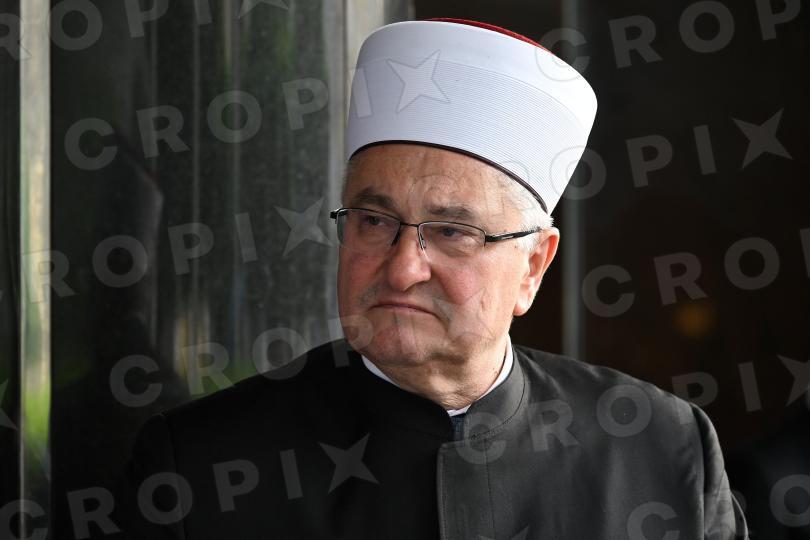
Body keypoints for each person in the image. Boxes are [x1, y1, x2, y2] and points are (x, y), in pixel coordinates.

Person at [114, 18, 748, 539]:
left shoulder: (662, 451)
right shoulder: (199, 467)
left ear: (533, 266)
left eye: (452, 231)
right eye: (373, 220)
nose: (403, 266)